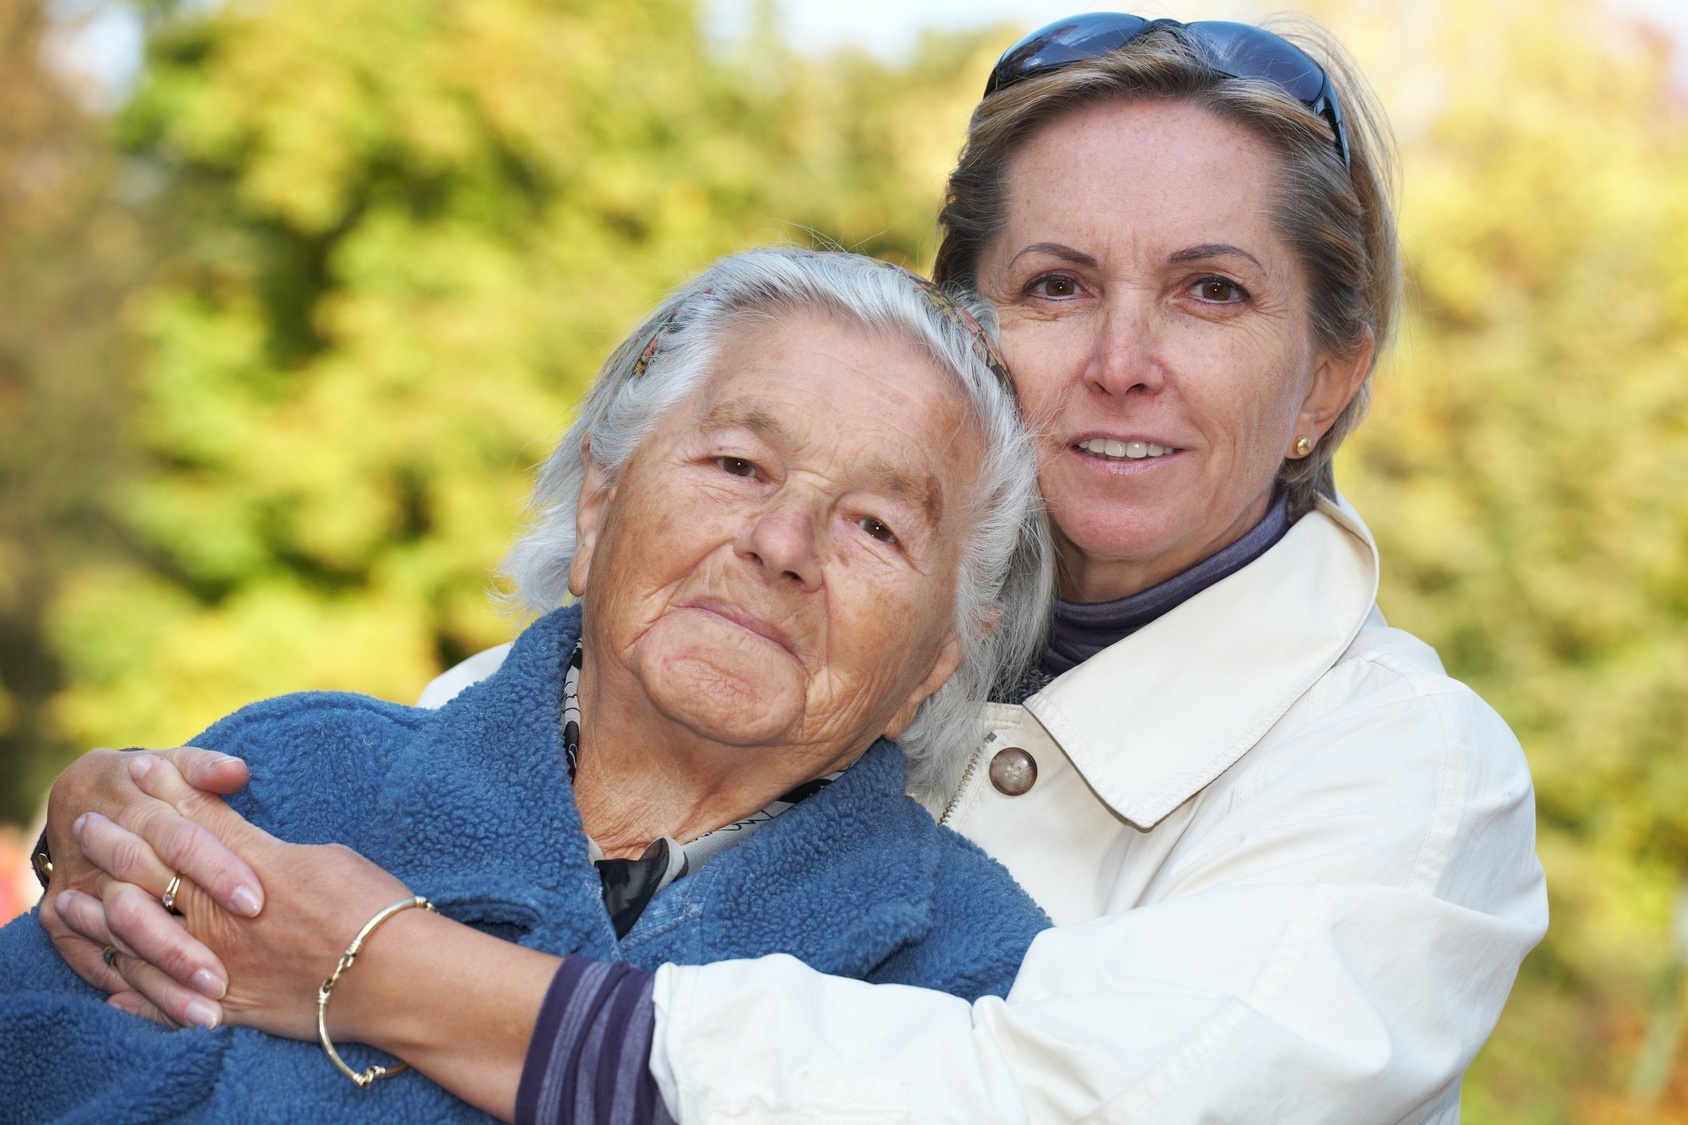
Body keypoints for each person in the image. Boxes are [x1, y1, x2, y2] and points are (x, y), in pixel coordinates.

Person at [33, 13, 1549, 1124]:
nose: (1123, 362)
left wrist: (392, 972)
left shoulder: (1407, 773)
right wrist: (132, 835)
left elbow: (1079, 1103)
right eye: (1054, 286)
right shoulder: (673, 631)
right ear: (968, 327)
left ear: (1332, 372)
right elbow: (401, 787)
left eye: (1212, 293)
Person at [0, 248, 1056, 1123]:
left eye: (876, 527)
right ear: (600, 505)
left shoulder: (975, 971)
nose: (782, 543)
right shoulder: (285, 781)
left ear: (936, 660)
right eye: (737, 465)